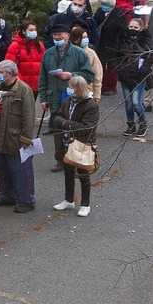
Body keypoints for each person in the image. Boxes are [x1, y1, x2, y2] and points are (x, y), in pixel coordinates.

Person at [0, 59, 38, 213]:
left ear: (10, 74)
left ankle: (26, 200)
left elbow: (28, 116)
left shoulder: (23, 90)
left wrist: (26, 138)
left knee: (21, 171)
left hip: (15, 138)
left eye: (1, 72)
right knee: (3, 169)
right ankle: (7, 195)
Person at [54, 74, 99, 217]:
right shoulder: (68, 100)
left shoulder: (91, 105)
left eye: (70, 87)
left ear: (78, 89)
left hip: (82, 144)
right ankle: (69, 200)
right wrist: (65, 123)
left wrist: (66, 123)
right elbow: (58, 117)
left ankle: (85, 204)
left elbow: (86, 128)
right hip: (67, 141)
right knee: (68, 171)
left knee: (83, 174)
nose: (68, 89)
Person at [39, 25, 94, 118]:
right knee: (55, 126)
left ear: (67, 36)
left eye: (60, 34)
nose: (57, 37)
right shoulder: (48, 53)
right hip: (53, 99)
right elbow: (43, 78)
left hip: (73, 99)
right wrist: (43, 98)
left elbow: (89, 75)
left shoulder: (79, 53)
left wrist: (72, 75)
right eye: (55, 35)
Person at [115, 15, 153, 137]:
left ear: (141, 28)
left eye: (135, 27)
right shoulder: (122, 39)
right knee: (128, 103)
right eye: (130, 26)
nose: (132, 28)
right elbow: (115, 56)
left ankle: (143, 124)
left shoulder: (146, 41)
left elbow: (149, 58)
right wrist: (119, 69)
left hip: (139, 77)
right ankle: (130, 125)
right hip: (125, 76)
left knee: (136, 102)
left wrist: (142, 71)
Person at [8, 19, 47, 93]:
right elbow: (10, 66)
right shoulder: (15, 46)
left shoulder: (40, 46)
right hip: (21, 85)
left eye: (35, 30)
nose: (33, 32)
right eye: (31, 30)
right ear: (23, 31)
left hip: (37, 85)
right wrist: (19, 81)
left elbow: (44, 64)